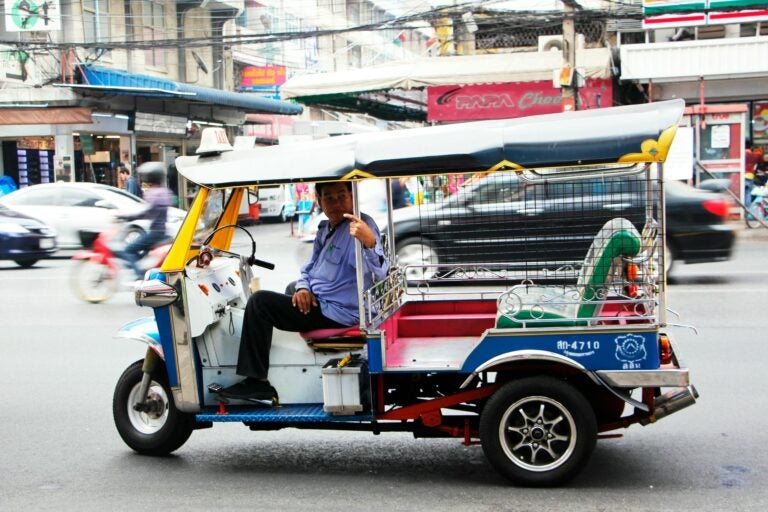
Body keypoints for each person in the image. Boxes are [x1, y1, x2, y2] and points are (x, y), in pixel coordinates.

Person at [221, 181, 389, 400]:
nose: (336, 203)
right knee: (292, 287)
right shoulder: (326, 228)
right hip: (323, 298)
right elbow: (310, 267)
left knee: (259, 303)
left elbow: (381, 270)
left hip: (339, 311)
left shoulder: (360, 227)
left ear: (352, 197)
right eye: (329, 197)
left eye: (342, 196)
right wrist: (303, 288)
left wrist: (369, 241)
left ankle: (256, 382)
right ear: (319, 201)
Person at [113, 162, 172, 278]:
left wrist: (126, 217)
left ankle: (140, 275)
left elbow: (146, 213)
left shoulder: (155, 193)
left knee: (129, 250)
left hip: (155, 232)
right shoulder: (164, 191)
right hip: (160, 231)